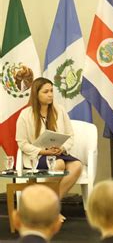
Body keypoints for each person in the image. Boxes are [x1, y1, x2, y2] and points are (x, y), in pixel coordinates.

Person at [16, 77, 83, 221]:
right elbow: (21, 143)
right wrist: (42, 151)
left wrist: (62, 147)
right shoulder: (25, 115)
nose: (50, 94)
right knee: (58, 164)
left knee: (77, 165)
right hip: (37, 156)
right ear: (36, 94)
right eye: (46, 92)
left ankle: (48, 205)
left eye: (52, 91)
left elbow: (70, 135)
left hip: (58, 153)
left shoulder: (60, 110)